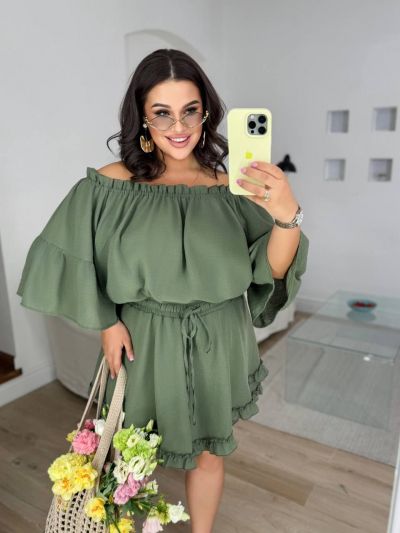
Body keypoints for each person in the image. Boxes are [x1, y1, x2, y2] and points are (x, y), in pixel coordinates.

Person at [16, 48, 309, 532]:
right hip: (143, 339)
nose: (179, 126)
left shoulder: (230, 188)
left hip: (220, 336)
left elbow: (270, 269)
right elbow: (66, 256)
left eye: (190, 110)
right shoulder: (109, 186)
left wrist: (287, 214)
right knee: (130, 457)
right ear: (142, 118)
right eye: (162, 113)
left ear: (206, 113)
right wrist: (107, 322)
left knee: (211, 454)